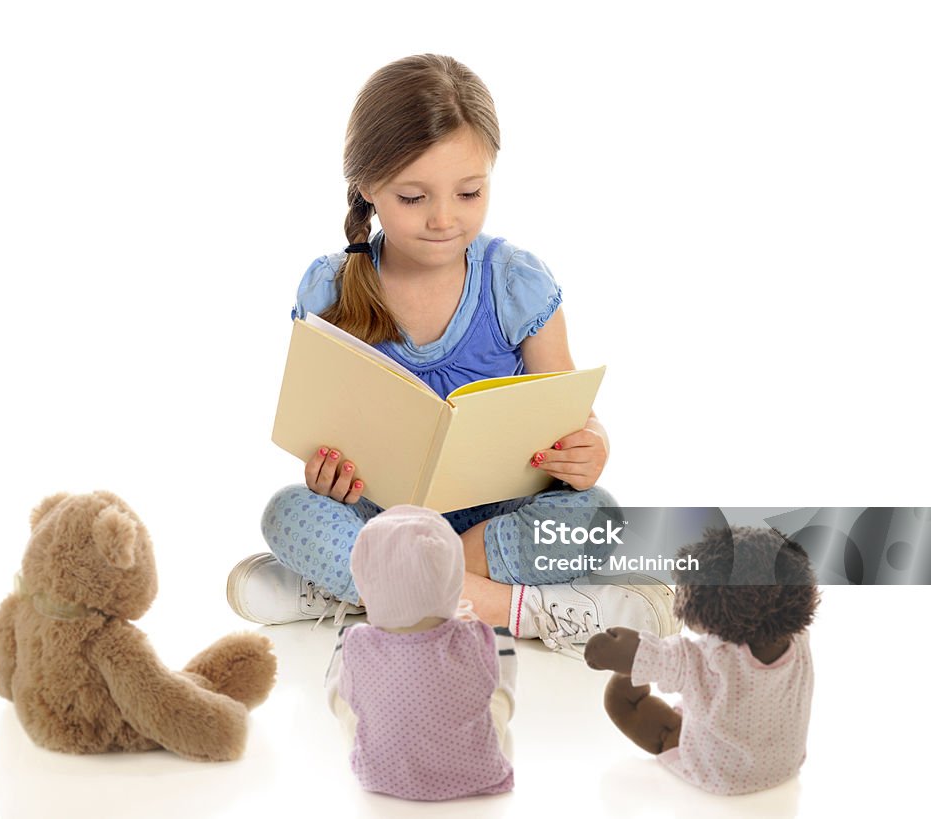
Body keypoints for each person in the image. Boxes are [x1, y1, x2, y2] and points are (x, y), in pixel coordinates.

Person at [227, 53, 677, 651]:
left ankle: (358, 593)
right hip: (382, 517)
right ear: (367, 187)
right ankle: (528, 611)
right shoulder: (330, 289)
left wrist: (590, 449)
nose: (445, 219)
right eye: (414, 198)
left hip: (501, 519)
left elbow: (570, 411)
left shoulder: (514, 281)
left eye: (469, 192)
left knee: (597, 516)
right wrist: (326, 474)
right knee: (287, 512)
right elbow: (319, 429)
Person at [584, 526, 819, 795]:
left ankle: (658, 716)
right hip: (784, 764)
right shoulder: (798, 638)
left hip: (719, 773)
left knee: (620, 700)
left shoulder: (705, 658)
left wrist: (627, 651)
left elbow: (630, 656)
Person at [324, 505, 515, 800]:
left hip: (378, 777)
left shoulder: (359, 644)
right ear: (457, 581)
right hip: (475, 772)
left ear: (363, 583)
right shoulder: (474, 637)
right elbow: (489, 685)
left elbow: (349, 697)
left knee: (346, 700)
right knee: (497, 694)